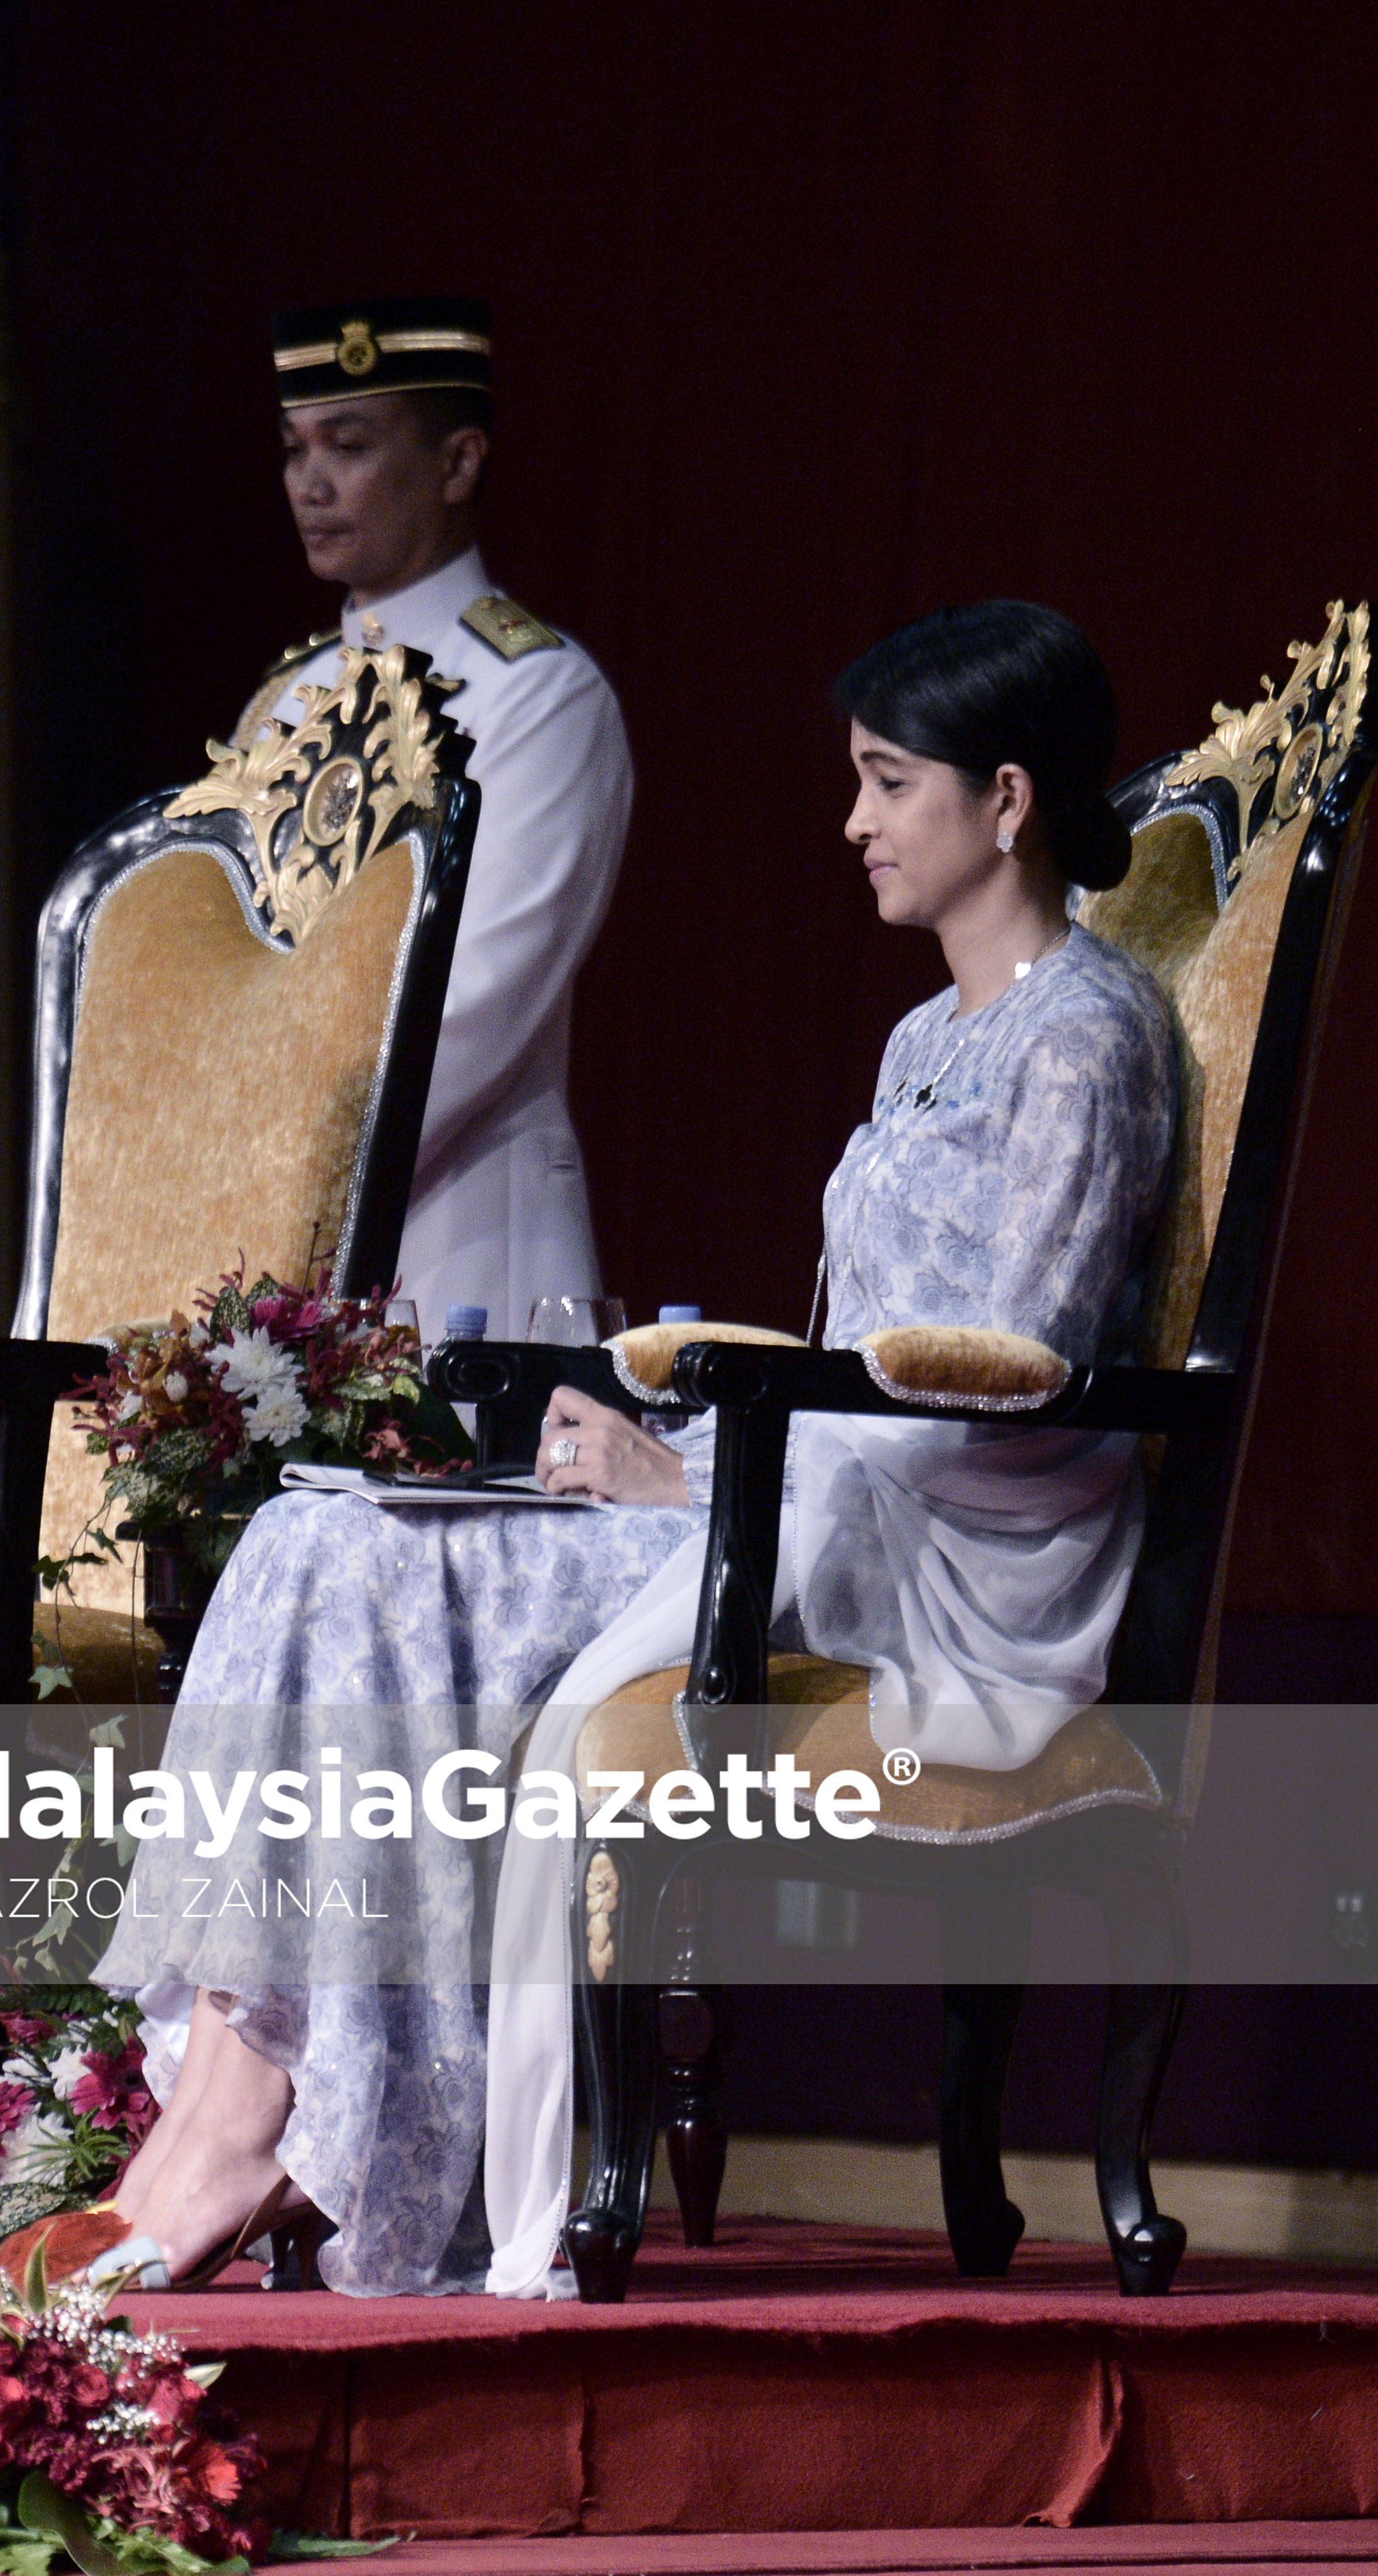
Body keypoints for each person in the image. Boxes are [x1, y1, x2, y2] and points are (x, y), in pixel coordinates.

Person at [72, 601, 1172, 2298]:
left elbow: (1000, 1378)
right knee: (317, 1533)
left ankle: (300, 2133)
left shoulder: (1086, 1036)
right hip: (826, 1492)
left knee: (376, 1563)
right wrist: (694, 1438)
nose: (855, 822)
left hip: (947, 1564)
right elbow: (873, 1342)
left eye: (890, 784)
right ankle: (251, 2095)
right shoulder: (926, 1034)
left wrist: (705, 1475)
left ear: (1007, 798)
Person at [248, 300, 631, 1335]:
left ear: (460, 464)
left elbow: (473, 1005)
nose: (310, 484)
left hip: (461, 1238)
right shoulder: (282, 703)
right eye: (295, 451)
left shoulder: (536, 695)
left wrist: (259, 1162)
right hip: (264, 1245)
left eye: (351, 446)